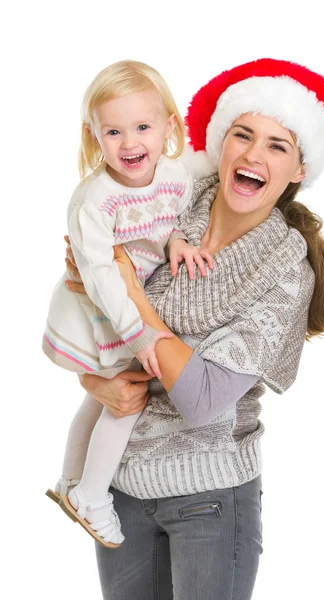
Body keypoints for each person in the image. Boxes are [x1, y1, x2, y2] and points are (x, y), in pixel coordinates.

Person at [64, 58, 324, 599]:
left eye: (277, 145)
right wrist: (92, 382)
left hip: (210, 500)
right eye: (242, 135)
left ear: (297, 170)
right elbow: (89, 310)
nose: (252, 154)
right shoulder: (165, 200)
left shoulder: (286, 270)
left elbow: (202, 397)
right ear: (220, 144)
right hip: (120, 489)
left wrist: (131, 294)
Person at [43, 60, 213, 548]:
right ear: (94, 136)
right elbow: (98, 275)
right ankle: (93, 495)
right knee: (124, 400)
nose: (130, 142)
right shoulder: (93, 200)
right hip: (103, 308)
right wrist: (137, 331)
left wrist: (177, 240)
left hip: (132, 296)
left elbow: (169, 221)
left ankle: (70, 480)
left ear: (168, 127)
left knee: (99, 399)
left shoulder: (176, 176)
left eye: (142, 127)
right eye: (113, 131)